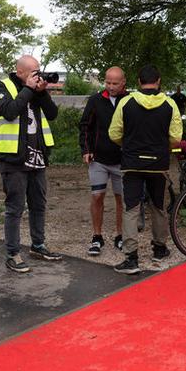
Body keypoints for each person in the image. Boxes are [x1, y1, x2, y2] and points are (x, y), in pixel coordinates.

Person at [108, 64, 182, 275]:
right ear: (158, 81)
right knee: (158, 206)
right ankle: (159, 249)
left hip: (132, 163)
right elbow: (176, 138)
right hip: (158, 164)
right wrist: (162, 147)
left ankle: (131, 258)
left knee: (131, 209)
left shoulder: (125, 103)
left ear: (139, 82)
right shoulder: (170, 104)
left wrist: (128, 145)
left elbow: (114, 133)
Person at [0, 55, 62, 273]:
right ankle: (13, 253)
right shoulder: (3, 85)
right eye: (32, 71)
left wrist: (41, 92)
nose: (36, 74)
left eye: (38, 70)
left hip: (37, 155)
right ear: (20, 72)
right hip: (14, 157)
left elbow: (52, 114)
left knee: (38, 203)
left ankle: (38, 245)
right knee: (15, 207)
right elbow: (9, 111)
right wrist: (28, 89)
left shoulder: (36, 89)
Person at [79, 66, 127, 255]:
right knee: (97, 195)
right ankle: (97, 236)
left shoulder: (130, 101)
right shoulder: (96, 100)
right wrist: (86, 149)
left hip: (123, 160)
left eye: (115, 83)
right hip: (98, 158)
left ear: (123, 82)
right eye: (108, 82)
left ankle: (120, 235)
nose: (111, 86)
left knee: (121, 199)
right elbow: (84, 126)